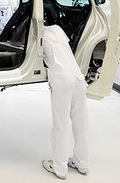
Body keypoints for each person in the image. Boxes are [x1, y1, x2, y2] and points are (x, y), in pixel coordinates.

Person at [41, 24, 89, 180]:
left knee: (61, 125)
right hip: (78, 77)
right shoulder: (57, 29)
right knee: (80, 124)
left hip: (62, 80)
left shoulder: (38, 34)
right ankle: (82, 163)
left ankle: (60, 168)